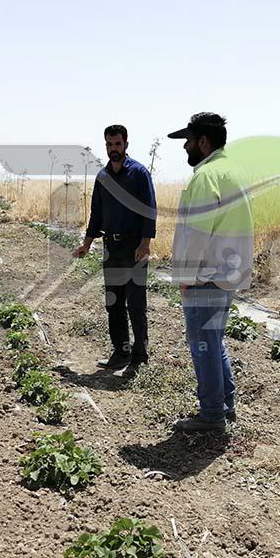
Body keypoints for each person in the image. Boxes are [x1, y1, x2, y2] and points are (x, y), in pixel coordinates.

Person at [167, 112, 254, 432]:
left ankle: (212, 415)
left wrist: (187, 278)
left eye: (188, 141)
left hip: (206, 275)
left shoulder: (206, 177)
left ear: (203, 142)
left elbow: (197, 233)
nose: (185, 147)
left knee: (202, 343)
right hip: (227, 273)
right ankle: (225, 404)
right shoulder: (232, 172)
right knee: (213, 340)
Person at [72, 124, 157, 372]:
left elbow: (149, 209)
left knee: (136, 303)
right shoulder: (103, 177)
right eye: (109, 145)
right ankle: (121, 352)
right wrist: (87, 243)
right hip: (111, 247)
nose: (114, 149)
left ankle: (139, 358)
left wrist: (145, 243)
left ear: (126, 144)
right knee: (114, 302)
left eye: (118, 144)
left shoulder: (139, 173)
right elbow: (96, 213)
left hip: (134, 247)